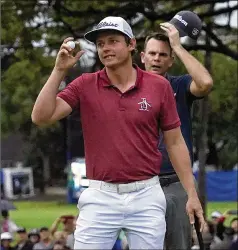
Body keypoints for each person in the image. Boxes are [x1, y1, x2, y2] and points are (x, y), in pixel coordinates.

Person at [31, 16, 204, 249]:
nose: (105, 48)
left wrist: (191, 193)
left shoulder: (158, 86)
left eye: (113, 41)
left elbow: (174, 143)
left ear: (132, 44)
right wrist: (58, 71)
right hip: (100, 196)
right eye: (100, 44)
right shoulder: (85, 84)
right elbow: (41, 117)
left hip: (146, 195)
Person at [140, 19, 213, 250]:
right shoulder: (128, 88)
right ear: (142, 56)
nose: (156, 58)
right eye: (152, 53)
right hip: (140, 183)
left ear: (171, 60)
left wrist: (179, 47)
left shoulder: (179, 86)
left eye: (163, 55)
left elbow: (205, 82)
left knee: (177, 245)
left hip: (175, 181)